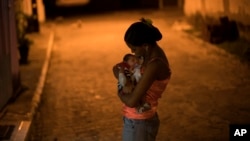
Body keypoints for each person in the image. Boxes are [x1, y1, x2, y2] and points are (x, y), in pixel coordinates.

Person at [112, 18, 171, 141]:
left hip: (140, 123)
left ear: (145, 45)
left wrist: (120, 90)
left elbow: (131, 101)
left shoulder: (154, 65)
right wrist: (123, 77)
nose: (132, 52)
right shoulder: (147, 56)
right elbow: (117, 67)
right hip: (137, 120)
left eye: (134, 48)